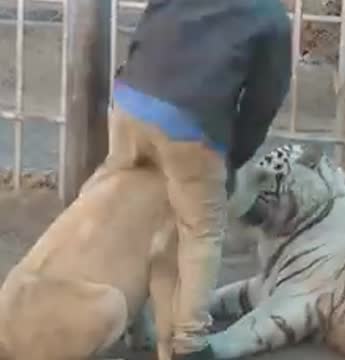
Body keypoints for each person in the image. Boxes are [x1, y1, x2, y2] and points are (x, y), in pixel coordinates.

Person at [82, 0, 291, 358]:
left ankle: (120, 314)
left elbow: (145, 31)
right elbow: (263, 102)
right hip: (191, 125)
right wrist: (231, 158)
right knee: (201, 232)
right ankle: (189, 344)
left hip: (130, 102)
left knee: (121, 213)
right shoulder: (271, 16)